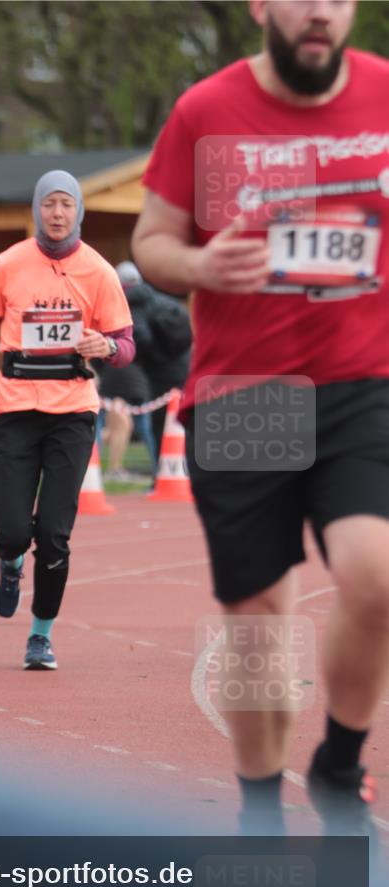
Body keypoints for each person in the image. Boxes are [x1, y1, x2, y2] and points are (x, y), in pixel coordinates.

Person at [132, 0, 389, 834]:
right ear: (260, 7)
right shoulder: (207, 112)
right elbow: (151, 242)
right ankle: (256, 815)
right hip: (246, 394)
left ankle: (339, 762)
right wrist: (200, 262)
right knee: (257, 637)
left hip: (362, 380)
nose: (319, 11)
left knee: (375, 575)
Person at [0, 170, 134, 670]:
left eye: (66, 204)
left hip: (72, 412)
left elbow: (127, 346)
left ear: (78, 210)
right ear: (36, 209)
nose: (57, 214)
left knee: (55, 535)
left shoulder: (99, 271)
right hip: (15, 408)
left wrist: (105, 346)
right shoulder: (8, 263)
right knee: (13, 530)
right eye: (49, 204)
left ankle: (40, 636)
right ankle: (9, 562)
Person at [115, 261, 192, 459]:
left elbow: (142, 337)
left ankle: (163, 474)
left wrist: (138, 356)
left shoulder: (131, 303)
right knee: (186, 424)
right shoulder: (160, 299)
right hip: (186, 365)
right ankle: (185, 473)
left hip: (162, 374)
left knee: (160, 426)